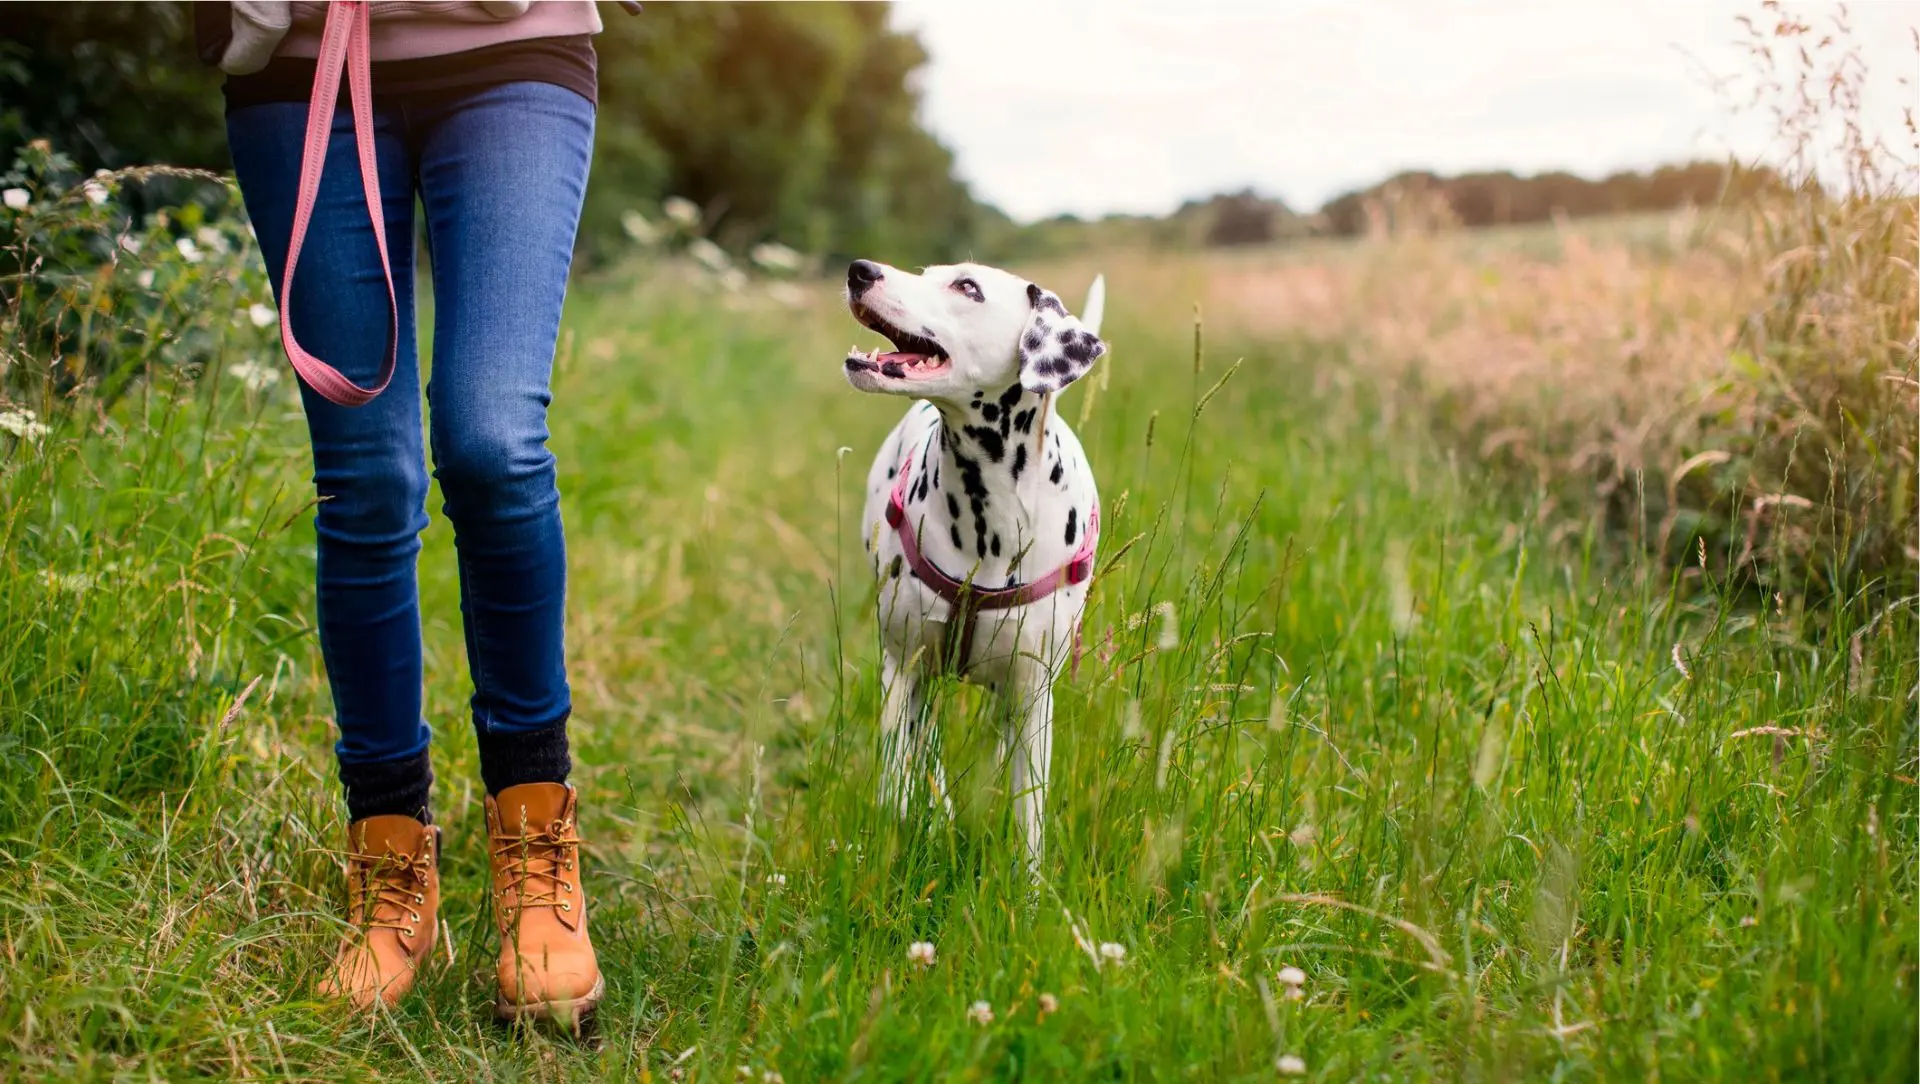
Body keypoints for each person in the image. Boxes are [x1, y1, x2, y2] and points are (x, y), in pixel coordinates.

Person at [194, 0, 631, 1027]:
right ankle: (389, 865)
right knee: (366, 474)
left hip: (511, 49)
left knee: (493, 441)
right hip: (299, 65)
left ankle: (535, 848)